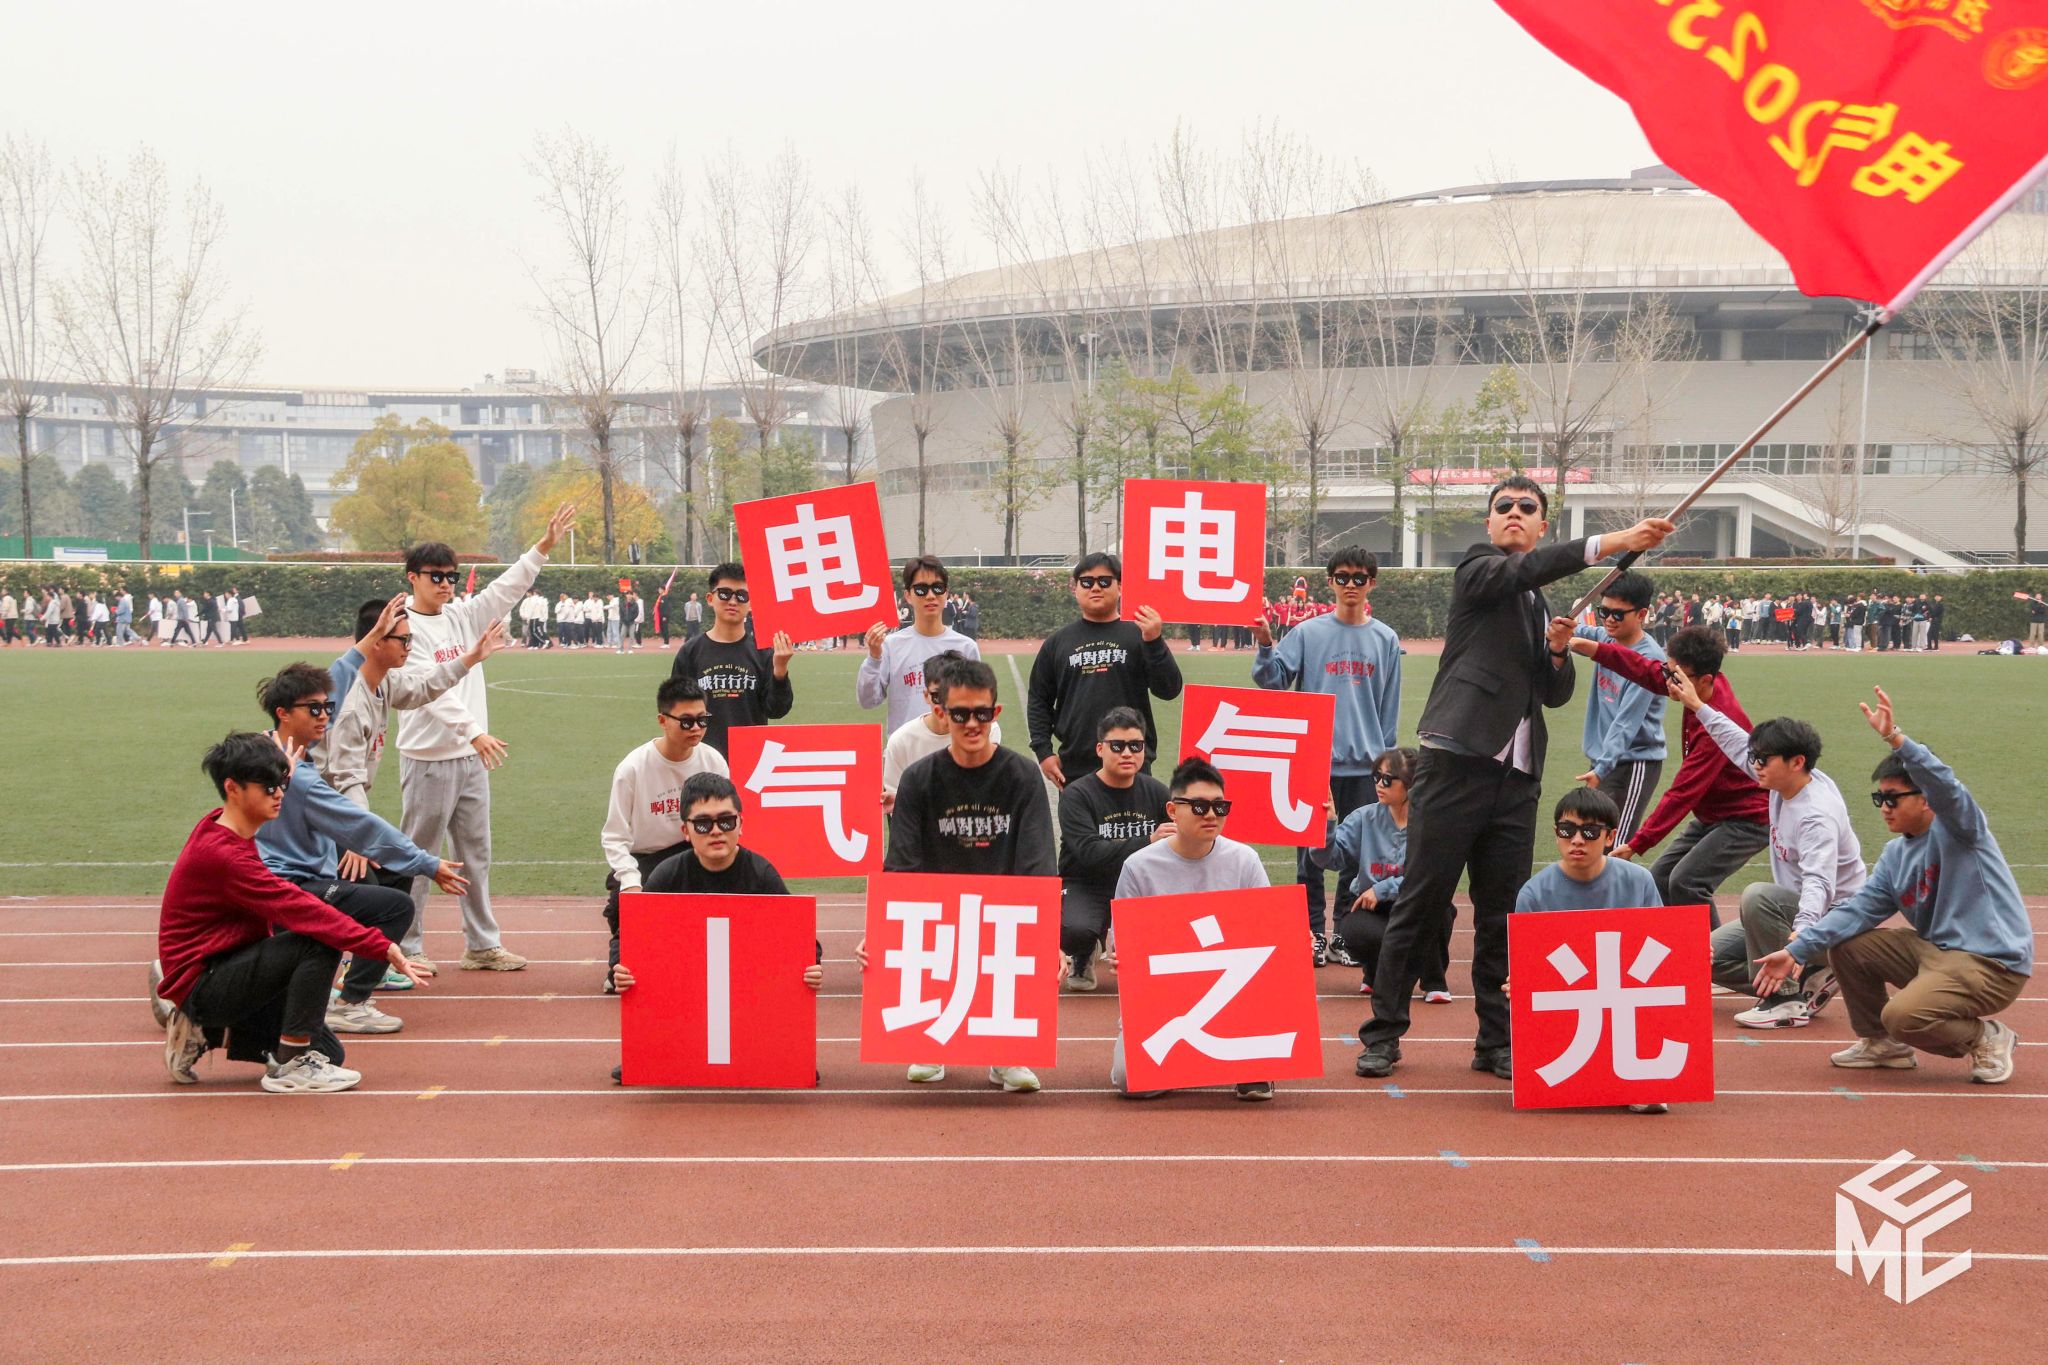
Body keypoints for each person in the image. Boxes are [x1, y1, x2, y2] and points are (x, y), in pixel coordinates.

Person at [1355, 476, 1674, 1081]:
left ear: (1542, 525)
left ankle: (1495, 1042)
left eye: (1528, 508)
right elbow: (1520, 572)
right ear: (1488, 522)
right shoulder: (1478, 571)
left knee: (1502, 916)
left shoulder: (1539, 604)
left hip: (1516, 779)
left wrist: (1556, 650)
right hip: (1454, 764)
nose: (1514, 514)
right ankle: (1383, 1035)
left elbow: (1553, 694)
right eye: (1504, 507)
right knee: (1420, 903)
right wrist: (1614, 542)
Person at [1755, 687, 2029, 1084]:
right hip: (1937, 953)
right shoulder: (1895, 856)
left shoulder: (1963, 831)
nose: (1884, 807)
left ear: (1926, 798)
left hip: (1990, 963)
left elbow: (1947, 787)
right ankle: (1881, 1045)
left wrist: (1894, 738)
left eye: (1893, 798)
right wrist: (1796, 950)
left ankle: (1985, 1037)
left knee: (1901, 1016)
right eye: (1879, 798)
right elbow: (1857, 910)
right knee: (1847, 943)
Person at [154, 732, 432, 1093]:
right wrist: (381, 945)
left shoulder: (226, 825)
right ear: (233, 788)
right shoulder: (225, 856)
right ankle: (291, 1064)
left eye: (282, 784)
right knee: (317, 938)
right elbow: (298, 908)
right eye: (269, 787)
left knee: (331, 1054)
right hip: (203, 979)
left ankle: (203, 1031)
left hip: (225, 964)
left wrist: (281, 770)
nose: (280, 795)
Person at [394, 502, 576, 975]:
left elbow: (504, 590)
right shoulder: (404, 628)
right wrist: (473, 731)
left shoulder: (461, 615)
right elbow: (428, 690)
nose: (445, 584)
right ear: (412, 577)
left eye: (451, 576)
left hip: (472, 757)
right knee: (419, 856)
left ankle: (481, 944)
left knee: (475, 855)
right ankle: (408, 945)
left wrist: (542, 547)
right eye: (435, 576)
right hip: (429, 757)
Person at [861, 658, 1057, 1093]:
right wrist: (882, 932)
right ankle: (929, 1042)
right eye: (961, 714)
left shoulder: (1022, 776)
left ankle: (1006, 1053)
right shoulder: (919, 779)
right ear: (941, 712)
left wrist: (1047, 939)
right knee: (926, 932)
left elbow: (1037, 862)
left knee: (1009, 938)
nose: (972, 724)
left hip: (1002, 909)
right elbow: (903, 863)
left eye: (982, 713)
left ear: (995, 713)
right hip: (939, 910)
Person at [249, 663, 466, 1036]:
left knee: (392, 873)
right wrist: (428, 863)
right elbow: (359, 825)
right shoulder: (296, 776)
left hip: (294, 866)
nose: (324, 717)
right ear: (283, 713)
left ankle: (359, 969)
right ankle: (351, 1003)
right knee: (395, 907)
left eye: (328, 707)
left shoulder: (272, 749)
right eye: (313, 709)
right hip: (286, 883)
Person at [1664, 671, 1866, 1029]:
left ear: (1796, 761)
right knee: (1701, 958)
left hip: (1834, 923)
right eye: (1755, 757)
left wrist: (1802, 937)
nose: (1754, 765)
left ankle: (1785, 1000)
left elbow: (1820, 881)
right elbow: (1735, 741)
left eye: (1763, 759)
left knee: (1758, 897)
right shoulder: (1783, 781)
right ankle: (1807, 979)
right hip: (1800, 916)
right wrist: (1696, 705)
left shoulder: (1815, 816)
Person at [609, 773, 822, 1082]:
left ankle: (783, 1055)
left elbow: (801, 940)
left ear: (741, 824)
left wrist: (812, 966)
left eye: (726, 821)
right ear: (685, 831)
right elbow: (629, 937)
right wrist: (620, 966)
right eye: (702, 824)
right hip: (685, 983)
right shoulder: (668, 875)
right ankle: (650, 1054)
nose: (716, 831)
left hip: (746, 985)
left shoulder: (761, 874)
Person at [1250, 545, 1404, 966]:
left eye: (1359, 578)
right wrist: (1265, 644)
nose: (1350, 585)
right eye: (1342, 577)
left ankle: (1343, 933)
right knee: (1310, 857)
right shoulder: (1308, 633)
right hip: (1314, 763)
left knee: (1357, 856)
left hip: (1366, 768)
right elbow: (1273, 680)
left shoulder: (1386, 639)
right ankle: (1312, 933)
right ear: (1330, 581)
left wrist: (1385, 766)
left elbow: (1389, 710)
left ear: (1372, 583)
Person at [1566, 624, 1767, 930]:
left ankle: (1717, 954)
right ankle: (1683, 949)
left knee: (1688, 882)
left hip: (1748, 819)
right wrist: (1594, 649)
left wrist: (1638, 843)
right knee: (1660, 877)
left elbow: (1682, 793)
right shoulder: (1692, 683)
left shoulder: (1716, 726)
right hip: (1714, 814)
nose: (1668, 682)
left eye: (1675, 677)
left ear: (1705, 680)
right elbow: (1644, 669)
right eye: (1668, 672)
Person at [1102, 757, 1277, 1102]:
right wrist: (1120, 956)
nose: (1211, 815)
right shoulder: (1139, 866)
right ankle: (1196, 1058)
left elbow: (1269, 929)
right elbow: (1121, 941)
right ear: (1172, 810)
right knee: (1131, 1082)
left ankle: (1221, 1059)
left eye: (1220, 806)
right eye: (1199, 806)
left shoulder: (1245, 860)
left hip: (1229, 990)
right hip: (1163, 997)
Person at [1511, 786, 1669, 1114]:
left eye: (1590, 831)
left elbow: (1660, 949)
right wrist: (1520, 983)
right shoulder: (1534, 895)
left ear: (1610, 837)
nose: (1577, 840)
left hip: (1626, 994)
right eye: (1567, 830)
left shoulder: (1639, 881)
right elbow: (1530, 966)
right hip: (1568, 1000)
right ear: (1556, 833)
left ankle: (1638, 1076)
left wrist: (1690, 958)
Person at [598, 678, 732, 988]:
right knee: (625, 905)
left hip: (699, 852)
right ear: (663, 720)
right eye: (686, 721)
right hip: (649, 858)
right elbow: (615, 836)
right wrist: (631, 883)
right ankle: (621, 967)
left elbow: (728, 816)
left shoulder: (712, 761)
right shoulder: (633, 768)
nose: (696, 728)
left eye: (702, 720)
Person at [1028, 552, 1184, 789]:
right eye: (1086, 582)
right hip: (1076, 766)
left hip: (1132, 763)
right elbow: (1039, 699)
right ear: (1075, 589)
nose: (1095, 588)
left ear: (1120, 587)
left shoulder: (1140, 634)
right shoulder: (1058, 642)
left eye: (1104, 581)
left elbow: (1169, 689)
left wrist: (1154, 642)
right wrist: (1043, 751)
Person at [1058, 707, 1172, 991]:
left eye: (1136, 746)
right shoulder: (1077, 795)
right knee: (1074, 930)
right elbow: (1089, 853)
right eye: (1117, 746)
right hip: (1087, 883)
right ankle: (1084, 950)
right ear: (1100, 749)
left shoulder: (1158, 792)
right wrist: (1148, 841)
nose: (1127, 753)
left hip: (1141, 884)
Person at [1568, 570, 1668, 846]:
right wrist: (1561, 628)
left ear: (1642, 614)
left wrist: (1602, 768)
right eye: (1604, 612)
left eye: (1618, 614)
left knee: (1613, 846)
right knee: (1593, 844)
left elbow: (1626, 723)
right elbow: (1576, 632)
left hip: (1633, 762)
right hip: (1604, 760)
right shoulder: (1608, 638)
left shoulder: (1648, 661)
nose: (1609, 620)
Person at [1322, 747, 1426, 998]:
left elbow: (1429, 875)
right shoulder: (1364, 817)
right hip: (1372, 908)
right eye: (1376, 776)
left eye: (1387, 779)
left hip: (1413, 902)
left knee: (1439, 912)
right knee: (1355, 931)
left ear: (1411, 784)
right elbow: (1331, 859)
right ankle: (1374, 971)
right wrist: (1327, 825)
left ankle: (1434, 981)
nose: (1379, 784)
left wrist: (1382, 889)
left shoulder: (1428, 822)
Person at [668, 562, 796, 758]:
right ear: (710, 599)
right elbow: (676, 711)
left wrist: (780, 669)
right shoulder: (690, 652)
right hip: (703, 759)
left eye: (742, 595)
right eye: (725, 593)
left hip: (751, 757)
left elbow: (776, 710)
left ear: (751, 603)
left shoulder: (763, 653)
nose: (733, 601)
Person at [858, 556, 980, 736]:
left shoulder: (966, 647)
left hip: (951, 748)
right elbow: (868, 701)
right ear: (908, 595)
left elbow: (976, 705)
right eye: (921, 589)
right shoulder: (891, 645)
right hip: (905, 748)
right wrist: (874, 657)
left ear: (946, 593)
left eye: (937, 588)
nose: (930, 595)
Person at [881, 651, 1005, 796]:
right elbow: (895, 797)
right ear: (926, 695)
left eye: (954, 697)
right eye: (938, 696)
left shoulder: (986, 730)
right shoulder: (901, 741)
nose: (946, 706)